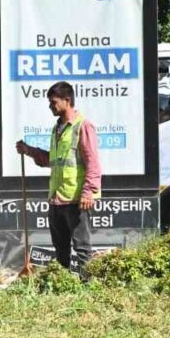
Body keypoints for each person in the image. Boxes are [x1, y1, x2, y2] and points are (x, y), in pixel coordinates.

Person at [15, 81, 102, 270]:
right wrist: (29, 150)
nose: (50, 106)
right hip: (56, 199)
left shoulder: (83, 126)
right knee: (60, 248)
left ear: (67, 100)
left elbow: (93, 163)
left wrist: (88, 192)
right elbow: (52, 161)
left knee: (82, 248)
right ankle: (63, 288)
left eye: (54, 102)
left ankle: (88, 290)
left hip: (75, 199)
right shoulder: (57, 129)